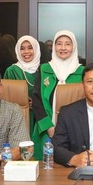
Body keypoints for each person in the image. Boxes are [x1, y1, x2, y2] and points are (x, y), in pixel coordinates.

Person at [31, 31, 84, 160]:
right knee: (45, 170)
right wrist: (48, 126)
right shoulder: (44, 69)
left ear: (74, 47)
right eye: (59, 44)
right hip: (46, 128)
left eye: (68, 44)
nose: (63, 48)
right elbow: (36, 100)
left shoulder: (82, 72)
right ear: (54, 47)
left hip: (75, 131)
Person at [4, 36, 41, 135]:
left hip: (41, 116)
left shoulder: (44, 70)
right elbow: (6, 97)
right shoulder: (12, 70)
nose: (26, 52)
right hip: (19, 116)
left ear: (36, 49)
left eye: (30, 47)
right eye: (22, 48)